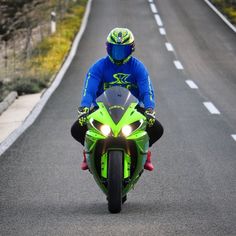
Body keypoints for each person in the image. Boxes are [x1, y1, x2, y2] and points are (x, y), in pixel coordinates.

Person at [71, 27, 164, 171]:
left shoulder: (138, 67)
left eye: (122, 50)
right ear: (108, 48)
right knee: (76, 129)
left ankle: (145, 153)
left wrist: (150, 108)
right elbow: (88, 90)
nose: (118, 54)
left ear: (131, 49)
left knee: (157, 129)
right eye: (114, 49)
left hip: (131, 109)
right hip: (103, 108)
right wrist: (84, 107)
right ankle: (87, 153)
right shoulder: (98, 67)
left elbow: (147, 91)